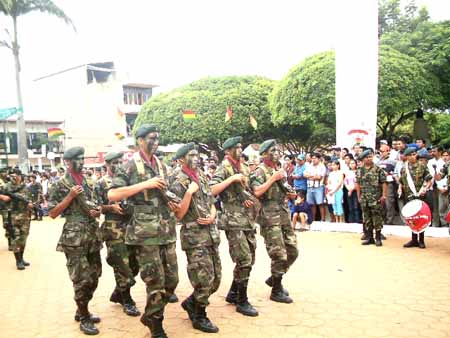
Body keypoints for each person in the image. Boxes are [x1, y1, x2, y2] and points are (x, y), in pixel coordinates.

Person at [107, 124, 179, 338]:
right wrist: (144, 184)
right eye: (151, 138)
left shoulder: (162, 165)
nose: (155, 142)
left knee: (172, 280)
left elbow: (168, 191)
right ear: (139, 140)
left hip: (166, 229)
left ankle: (150, 314)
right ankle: (156, 325)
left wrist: (173, 202)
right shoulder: (129, 166)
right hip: (144, 233)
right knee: (154, 281)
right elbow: (113, 194)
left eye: (157, 138)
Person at [48, 147, 103, 335]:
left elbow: (96, 204)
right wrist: (70, 196)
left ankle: (81, 309)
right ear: (68, 162)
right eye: (77, 159)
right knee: (81, 279)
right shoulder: (60, 184)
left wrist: (98, 211)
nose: (82, 162)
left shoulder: (89, 181)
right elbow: (52, 213)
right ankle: (84, 315)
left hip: (92, 234)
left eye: (82, 159)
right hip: (74, 237)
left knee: (95, 275)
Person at [170, 143, 221, 333]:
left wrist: (213, 215)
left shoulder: (201, 175)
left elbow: (212, 203)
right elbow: (178, 215)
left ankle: (191, 303)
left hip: (211, 234)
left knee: (215, 279)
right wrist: (189, 193)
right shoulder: (177, 180)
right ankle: (200, 315)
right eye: (192, 155)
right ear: (182, 159)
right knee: (203, 279)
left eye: (197, 155)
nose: (196, 158)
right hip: (194, 237)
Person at [209, 136, 258, 317]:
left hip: (247, 220)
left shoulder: (243, 166)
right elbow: (211, 190)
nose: (240, 150)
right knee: (243, 259)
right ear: (228, 151)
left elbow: (250, 187)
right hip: (233, 221)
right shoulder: (224, 168)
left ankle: (233, 292)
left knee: (250, 258)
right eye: (236, 147)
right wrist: (231, 180)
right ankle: (242, 301)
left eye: (240, 147)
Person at [250, 139, 298, 304]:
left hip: (283, 213)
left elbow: (286, 188)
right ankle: (276, 289)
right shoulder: (259, 171)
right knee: (278, 253)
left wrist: (291, 193)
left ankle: (275, 277)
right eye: (273, 151)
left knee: (293, 250)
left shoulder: (279, 169)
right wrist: (272, 178)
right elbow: (257, 191)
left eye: (278, 150)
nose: (277, 153)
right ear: (264, 154)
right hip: (270, 215)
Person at [94, 151, 140, 317]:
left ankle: (118, 292)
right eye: (115, 162)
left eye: (121, 161)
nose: (119, 165)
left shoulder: (128, 180)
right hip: (114, 228)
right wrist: (110, 208)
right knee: (122, 264)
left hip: (132, 226)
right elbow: (95, 207)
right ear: (107, 164)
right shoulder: (101, 183)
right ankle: (127, 299)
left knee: (135, 263)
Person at [398, 148, 433, 248]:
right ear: (407, 157)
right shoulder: (404, 168)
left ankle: (421, 240)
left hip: (420, 195)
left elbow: (429, 180)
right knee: (411, 217)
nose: (413, 156)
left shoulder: (422, 166)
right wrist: (400, 188)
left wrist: (425, 189)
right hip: (409, 196)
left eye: (414, 154)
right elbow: (401, 181)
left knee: (421, 217)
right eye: (411, 155)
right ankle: (414, 239)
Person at [1, 169, 33, 270]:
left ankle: (21, 258)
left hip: (25, 216)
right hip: (12, 216)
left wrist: (31, 205)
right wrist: (2, 197)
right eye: (13, 176)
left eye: (16, 176)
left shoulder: (25, 187)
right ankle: (18, 261)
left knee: (23, 238)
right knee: (16, 238)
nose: (15, 178)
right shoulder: (7, 186)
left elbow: (29, 199)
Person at [355, 150, 388, 247]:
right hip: (364, 197)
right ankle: (370, 238)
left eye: (370, 157)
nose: (369, 159)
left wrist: (384, 195)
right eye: (366, 157)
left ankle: (378, 238)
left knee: (377, 217)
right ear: (363, 159)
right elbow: (358, 183)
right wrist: (358, 195)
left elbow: (384, 182)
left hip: (376, 197)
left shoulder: (378, 169)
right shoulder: (360, 170)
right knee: (367, 218)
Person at [428, 146, 448, 227]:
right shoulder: (445, 166)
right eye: (444, 156)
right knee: (439, 208)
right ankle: (443, 225)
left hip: (446, 188)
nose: (445, 157)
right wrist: (436, 173)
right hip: (436, 186)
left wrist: (446, 187)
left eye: (447, 155)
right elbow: (439, 177)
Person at [304, 152, 326, 221]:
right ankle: (313, 219)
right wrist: (313, 176)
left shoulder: (322, 166)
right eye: (312, 158)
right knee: (311, 204)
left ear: (319, 159)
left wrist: (310, 176)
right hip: (310, 187)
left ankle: (323, 219)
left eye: (315, 158)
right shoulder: (309, 166)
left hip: (318, 187)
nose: (313, 159)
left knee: (320, 203)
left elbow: (319, 177)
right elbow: (304, 175)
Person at [344, 159, 361, 223]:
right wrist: (348, 189)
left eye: (353, 163)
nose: (352, 165)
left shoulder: (358, 172)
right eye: (350, 163)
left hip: (356, 190)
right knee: (350, 206)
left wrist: (352, 189)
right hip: (348, 190)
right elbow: (345, 181)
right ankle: (351, 220)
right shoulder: (347, 172)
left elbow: (357, 182)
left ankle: (357, 220)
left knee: (356, 206)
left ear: (356, 164)